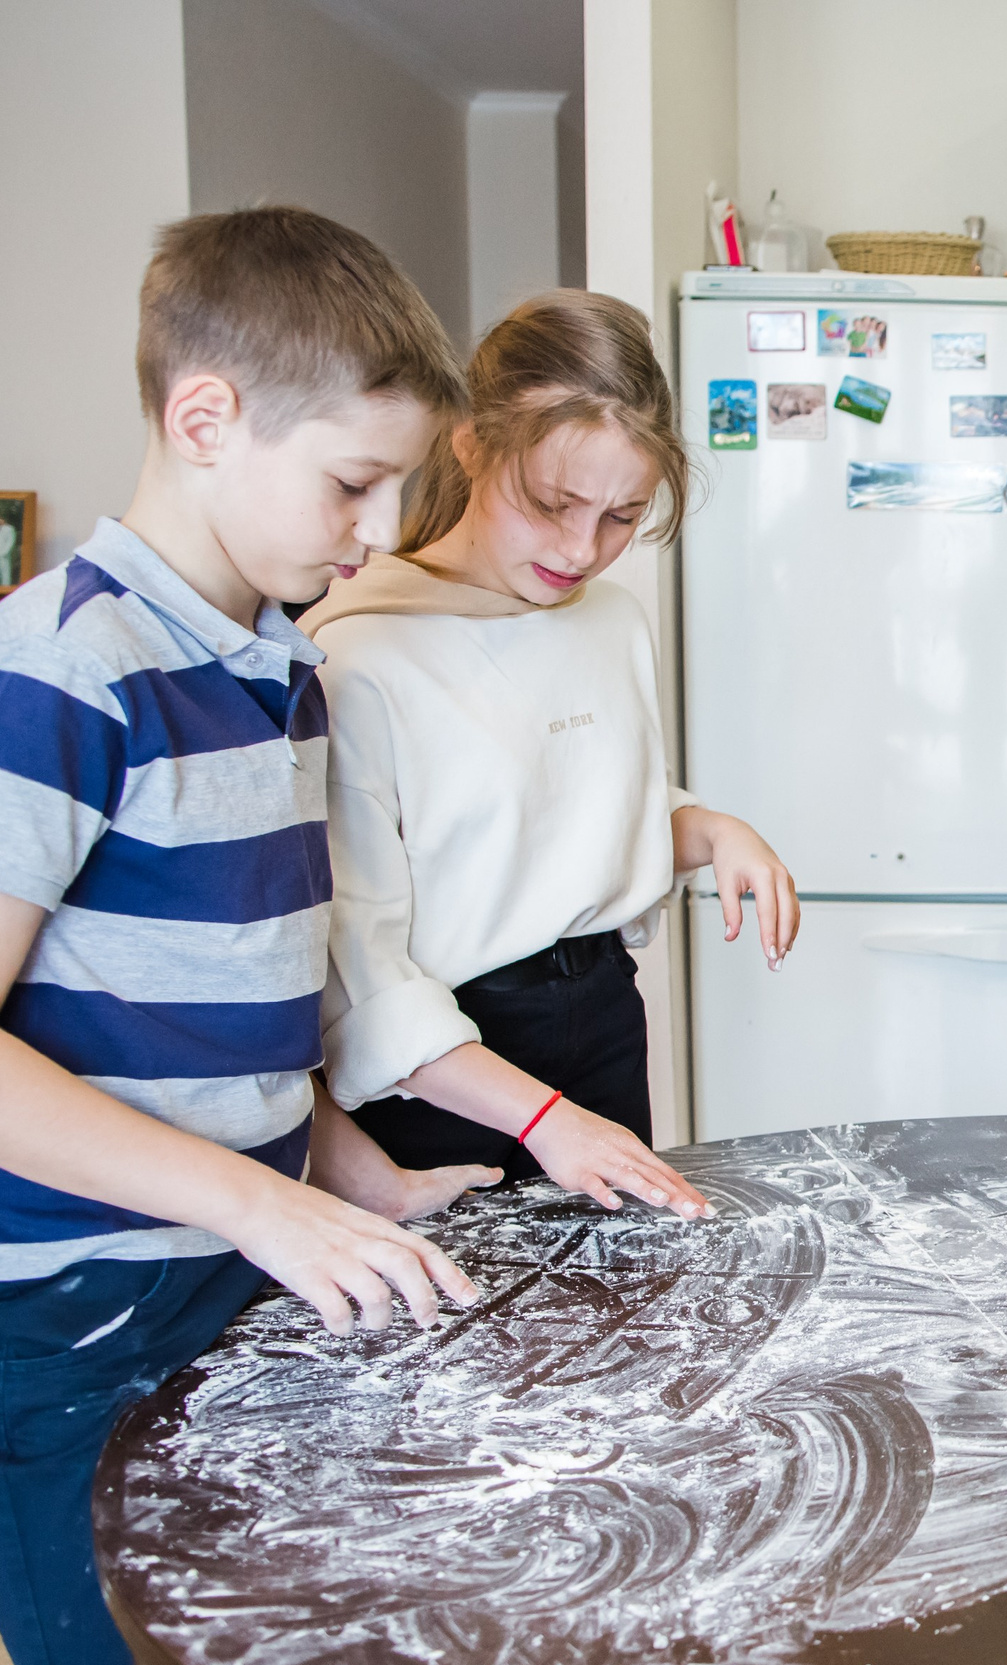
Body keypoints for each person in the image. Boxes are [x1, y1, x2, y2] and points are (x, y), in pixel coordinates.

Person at [0, 208, 491, 1665]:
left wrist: (348, 1173)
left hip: (226, 1271)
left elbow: (216, 1012)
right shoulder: (60, 670)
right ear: (206, 420)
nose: (376, 532)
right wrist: (267, 1205)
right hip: (66, 1319)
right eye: (353, 483)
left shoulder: (276, 669)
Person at [301, 289, 798, 1210]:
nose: (581, 549)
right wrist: (541, 1119)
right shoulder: (359, 653)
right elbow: (363, 975)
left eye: (622, 516)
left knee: (625, 1291)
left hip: (604, 1020)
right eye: (552, 504)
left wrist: (713, 831)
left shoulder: (610, 620)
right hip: (447, 1071)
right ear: (469, 446)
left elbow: (589, 819)